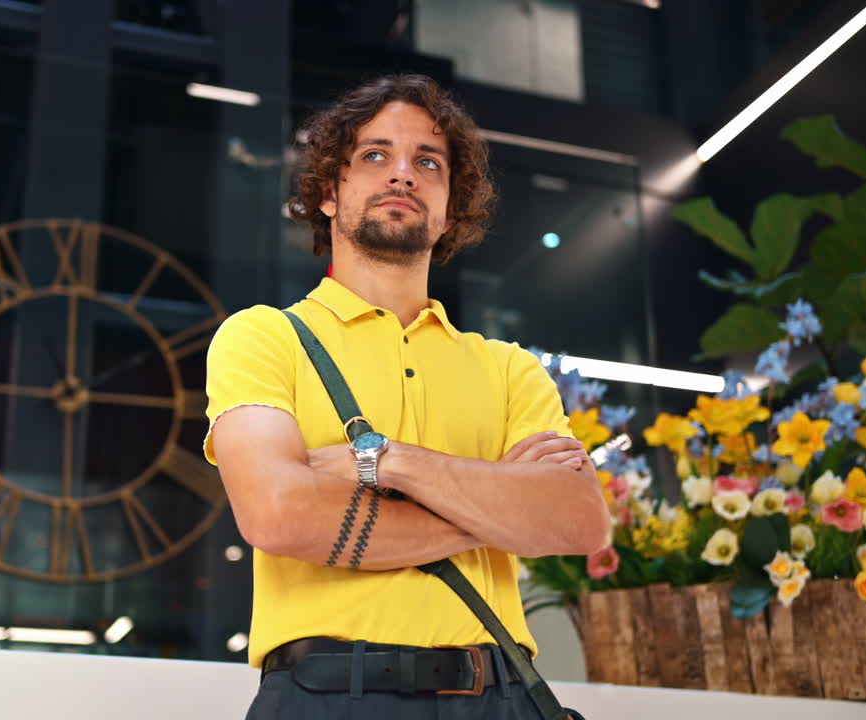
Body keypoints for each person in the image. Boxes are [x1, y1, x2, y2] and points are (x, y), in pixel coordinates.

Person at [204, 74, 609, 719]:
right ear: (329, 194)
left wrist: (386, 462)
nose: (402, 174)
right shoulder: (263, 337)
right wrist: (497, 508)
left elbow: (577, 521)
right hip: (329, 694)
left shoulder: (508, 368)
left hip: (500, 692)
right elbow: (278, 515)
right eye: (374, 155)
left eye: (428, 162)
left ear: (450, 209)